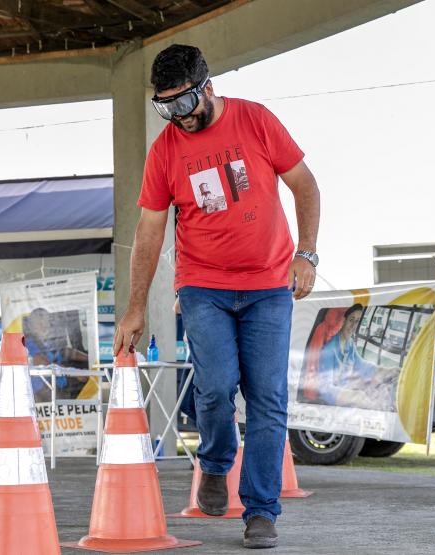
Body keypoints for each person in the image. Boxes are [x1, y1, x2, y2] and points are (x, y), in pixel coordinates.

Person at [113, 44, 320, 549]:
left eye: (183, 103)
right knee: (215, 387)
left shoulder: (256, 121)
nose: (177, 117)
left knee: (267, 399)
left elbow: (305, 185)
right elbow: (149, 233)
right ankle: (215, 463)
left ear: (208, 87)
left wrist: (307, 255)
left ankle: (261, 512)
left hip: (269, 286)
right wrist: (136, 305)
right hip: (203, 286)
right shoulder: (164, 150)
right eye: (165, 107)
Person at [298, 304, 392, 410]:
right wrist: (354, 396)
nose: (353, 326)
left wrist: (388, 370)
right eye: (351, 320)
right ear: (343, 321)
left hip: (346, 390)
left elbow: (361, 364)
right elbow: (325, 388)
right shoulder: (330, 349)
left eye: (357, 321)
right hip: (330, 403)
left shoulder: (349, 343)